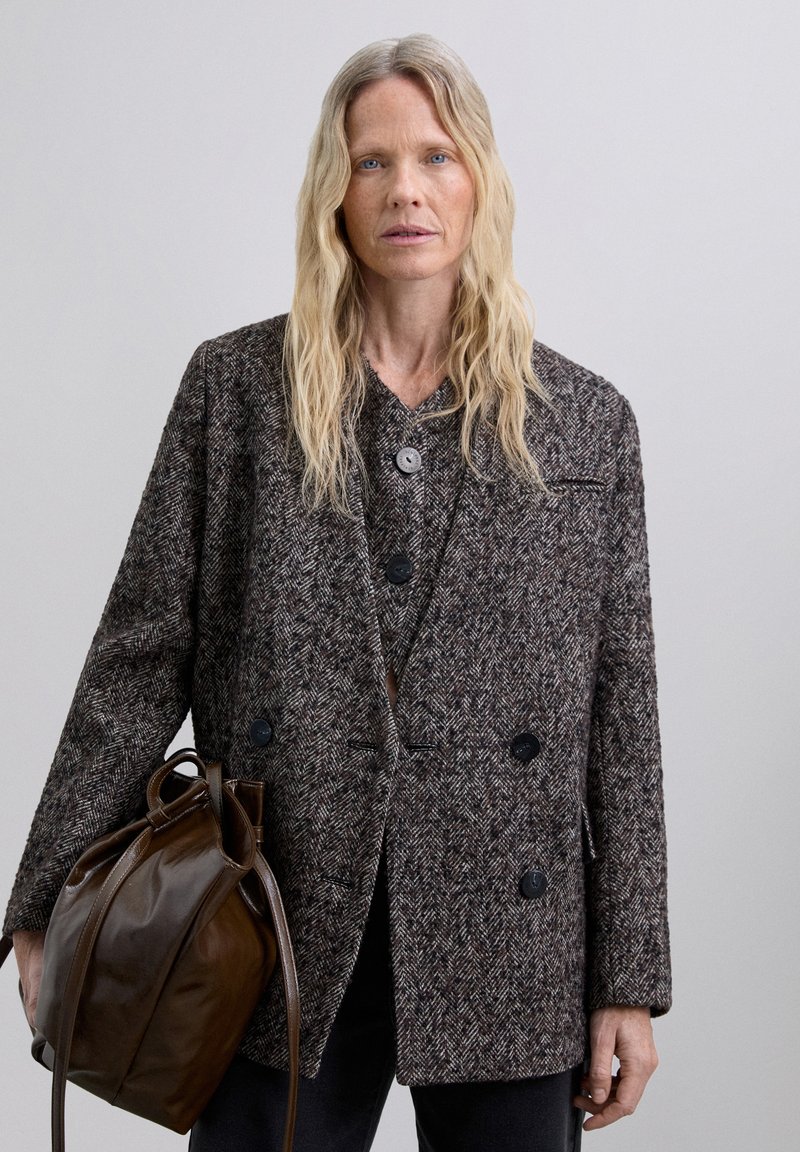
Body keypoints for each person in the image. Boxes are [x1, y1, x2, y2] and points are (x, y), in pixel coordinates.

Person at [4, 32, 671, 1152]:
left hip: (511, 946)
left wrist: (630, 980)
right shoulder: (235, 395)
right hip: (278, 929)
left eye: (436, 156)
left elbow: (622, 720)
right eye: (372, 161)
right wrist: (42, 902)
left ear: (479, 181)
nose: (406, 188)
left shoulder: (584, 425)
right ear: (335, 192)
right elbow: (138, 659)